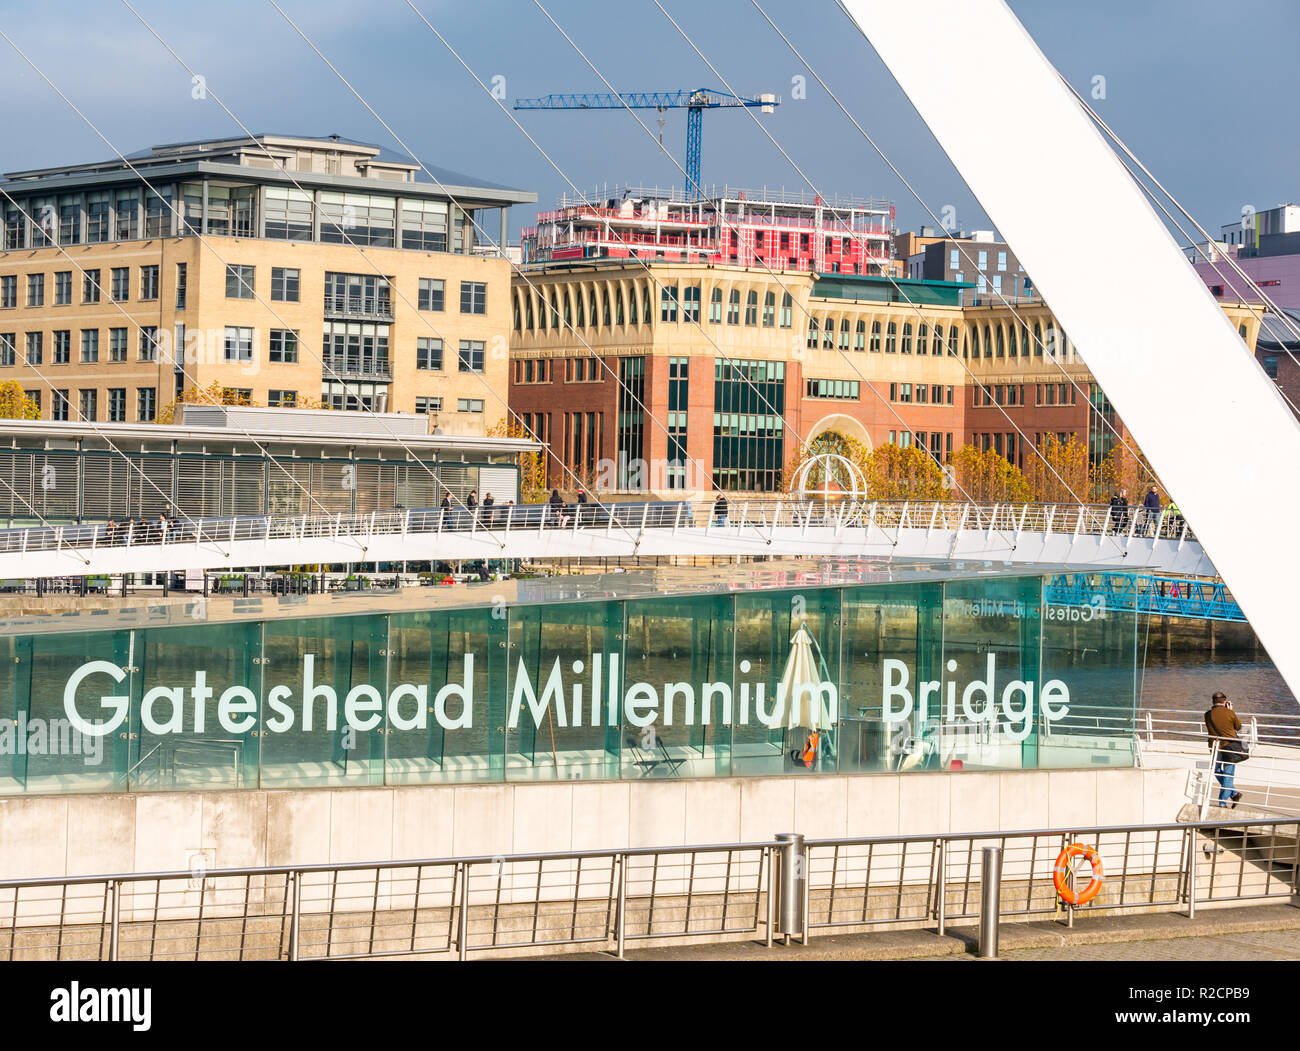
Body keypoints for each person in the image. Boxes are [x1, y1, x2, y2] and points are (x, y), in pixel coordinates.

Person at [1204, 691, 1244, 808]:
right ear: (1225, 702)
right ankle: (1224, 801)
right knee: (1228, 774)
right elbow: (1238, 727)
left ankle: (1234, 794)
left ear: (1213, 701)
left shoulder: (1207, 715)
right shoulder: (1229, 713)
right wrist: (1231, 711)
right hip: (1230, 747)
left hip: (1215, 747)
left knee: (1216, 770)